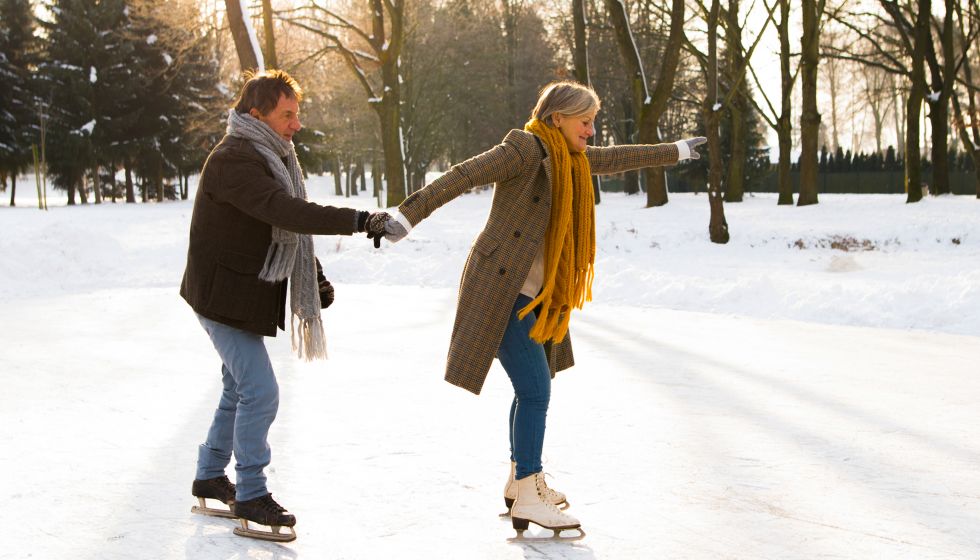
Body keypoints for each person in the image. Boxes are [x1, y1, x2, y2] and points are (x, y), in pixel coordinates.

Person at [380, 81, 705, 538]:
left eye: (593, 122)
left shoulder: (571, 158)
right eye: (585, 121)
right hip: (501, 288)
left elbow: (616, 157)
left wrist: (674, 150)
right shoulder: (524, 150)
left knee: (532, 385)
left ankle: (520, 482)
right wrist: (406, 215)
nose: (592, 131)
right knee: (535, 391)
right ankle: (530, 491)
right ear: (558, 119)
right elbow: (462, 174)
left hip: (538, 294)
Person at [180, 69, 389, 542]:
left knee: (239, 388)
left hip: (240, 291)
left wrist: (313, 276)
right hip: (219, 295)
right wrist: (360, 219)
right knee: (260, 390)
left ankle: (210, 476)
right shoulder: (235, 159)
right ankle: (251, 494)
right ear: (258, 115)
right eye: (287, 115)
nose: (296, 125)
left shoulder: (274, 155)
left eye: (298, 114)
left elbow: (286, 226)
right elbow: (283, 211)